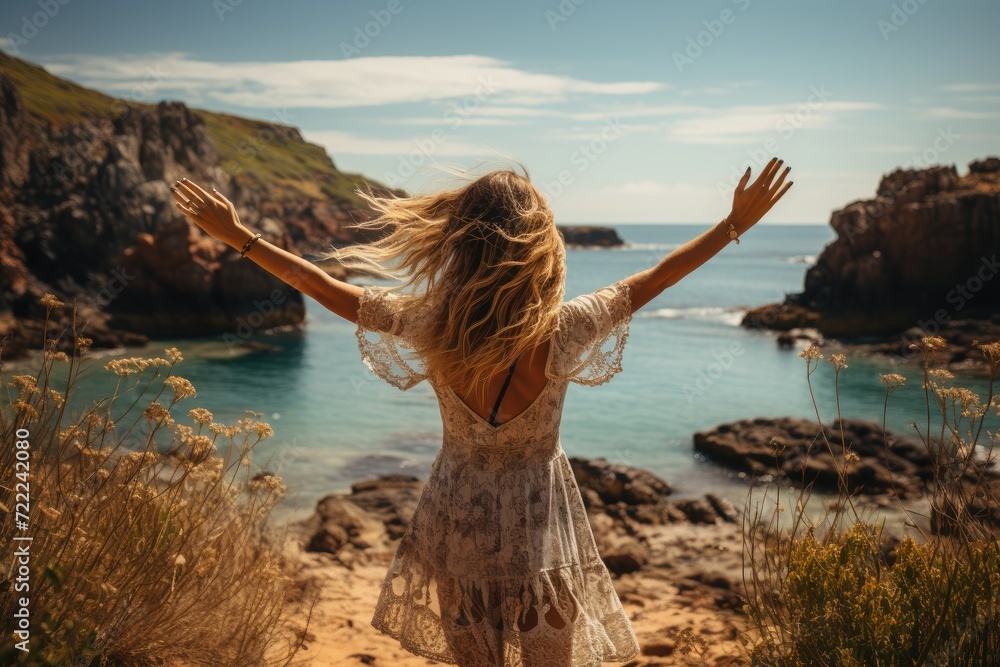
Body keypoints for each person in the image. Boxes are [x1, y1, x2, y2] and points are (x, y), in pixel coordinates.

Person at [170, 157, 792, 666]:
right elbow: (656, 278)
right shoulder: (566, 329)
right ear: (540, 246)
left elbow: (329, 291)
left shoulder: (431, 327)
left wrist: (240, 239)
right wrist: (732, 224)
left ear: (461, 245)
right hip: (541, 527)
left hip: (457, 519)